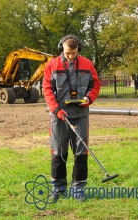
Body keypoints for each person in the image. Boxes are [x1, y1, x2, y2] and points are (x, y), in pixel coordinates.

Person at [43, 34, 100, 200]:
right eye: (68, 53)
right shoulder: (52, 65)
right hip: (59, 116)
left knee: (81, 153)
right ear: (61, 48)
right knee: (58, 153)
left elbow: (95, 84)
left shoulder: (87, 64)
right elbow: (47, 89)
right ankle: (58, 189)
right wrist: (56, 109)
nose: (70, 57)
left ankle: (78, 190)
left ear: (78, 50)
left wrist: (89, 99)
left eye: (74, 54)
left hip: (81, 114)